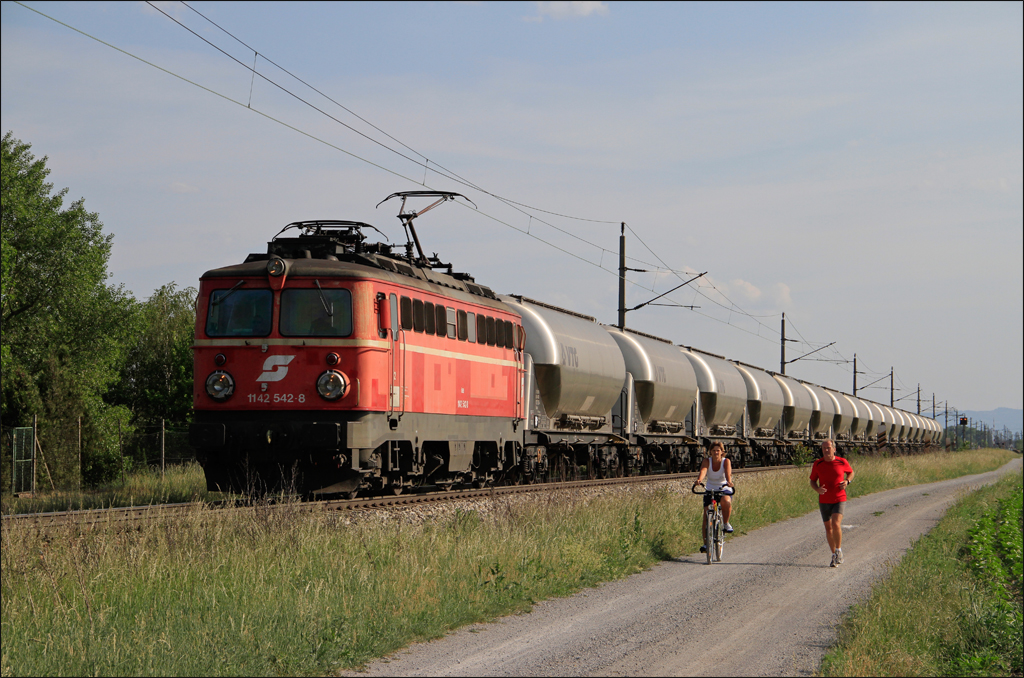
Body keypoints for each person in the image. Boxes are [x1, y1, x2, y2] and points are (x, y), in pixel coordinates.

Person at [809, 439, 855, 567]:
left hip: (839, 498)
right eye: (824, 448)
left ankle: (839, 550)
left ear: (834, 449)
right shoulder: (818, 464)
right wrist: (817, 489)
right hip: (824, 500)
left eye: (828, 448)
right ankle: (834, 554)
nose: (826, 450)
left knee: (835, 524)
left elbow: (851, 472)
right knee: (828, 528)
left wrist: (847, 482)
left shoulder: (842, 462)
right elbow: (812, 481)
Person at [692, 441, 734, 554]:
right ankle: (706, 544)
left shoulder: (726, 461)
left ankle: (726, 523)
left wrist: (729, 482)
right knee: (706, 515)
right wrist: (699, 480)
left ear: (721, 452)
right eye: (714, 450)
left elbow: (727, 472)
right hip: (710, 489)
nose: (716, 452)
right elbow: (703, 470)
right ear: (710, 452)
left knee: (726, 501)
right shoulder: (707, 461)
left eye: (718, 450)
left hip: (724, 488)